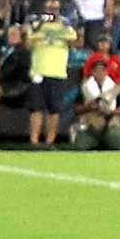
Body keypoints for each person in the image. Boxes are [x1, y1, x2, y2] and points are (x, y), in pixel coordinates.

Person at [26, 8, 79, 148]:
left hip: (57, 72)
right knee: (36, 108)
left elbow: (74, 42)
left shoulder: (66, 25)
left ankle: (50, 142)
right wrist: (42, 33)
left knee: (54, 109)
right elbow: (28, 43)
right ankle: (34, 141)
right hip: (39, 72)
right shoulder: (37, 24)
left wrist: (60, 31)